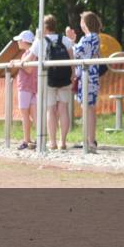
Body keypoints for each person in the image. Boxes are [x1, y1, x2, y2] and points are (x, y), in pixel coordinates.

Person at [20, 15, 75, 149]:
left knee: (50, 109)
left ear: (44, 27)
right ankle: (63, 142)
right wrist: (72, 75)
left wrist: (20, 62)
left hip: (48, 79)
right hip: (64, 78)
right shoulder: (66, 40)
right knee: (63, 108)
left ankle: (53, 142)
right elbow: (72, 60)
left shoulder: (40, 41)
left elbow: (30, 58)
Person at [67, 11, 103, 151]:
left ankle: (89, 141)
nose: (80, 23)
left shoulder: (90, 37)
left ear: (86, 23)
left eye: (82, 21)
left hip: (88, 76)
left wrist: (70, 42)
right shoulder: (93, 37)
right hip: (89, 76)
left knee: (87, 108)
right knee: (89, 108)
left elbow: (76, 53)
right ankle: (89, 139)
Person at [10, 30, 38, 150]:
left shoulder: (29, 53)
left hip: (26, 87)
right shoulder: (30, 53)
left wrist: (18, 64)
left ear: (24, 41)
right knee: (33, 114)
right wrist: (18, 62)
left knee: (25, 114)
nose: (18, 43)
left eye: (19, 40)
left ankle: (26, 140)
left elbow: (29, 69)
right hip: (32, 87)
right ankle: (38, 138)